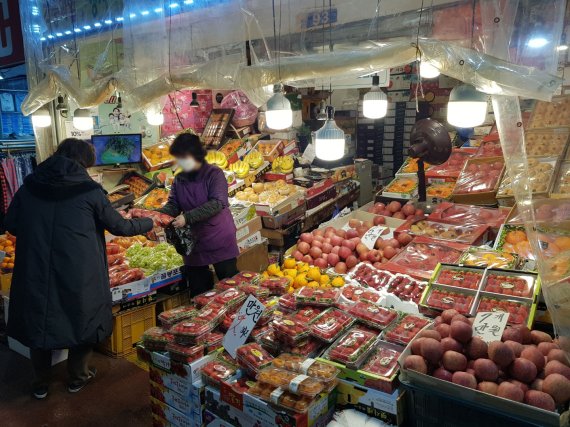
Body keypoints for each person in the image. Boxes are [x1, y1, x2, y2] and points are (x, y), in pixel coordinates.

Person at [4, 138, 154, 399]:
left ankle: (40, 383)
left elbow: (12, 225)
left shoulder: (29, 187)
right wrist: (149, 223)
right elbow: (120, 227)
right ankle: (78, 376)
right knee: (83, 317)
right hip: (79, 269)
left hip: (36, 268)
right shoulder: (89, 191)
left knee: (38, 319)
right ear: (85, 162)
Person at [160, 133, 239, 296]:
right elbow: (174, 204)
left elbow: (217, 202)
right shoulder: (179, 179)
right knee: (199, 291)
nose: (181, 161)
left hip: (218, 237)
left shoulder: (214, 174)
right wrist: (157, 215)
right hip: (193, 242)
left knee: (231, 286)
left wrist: (187, 217)